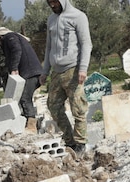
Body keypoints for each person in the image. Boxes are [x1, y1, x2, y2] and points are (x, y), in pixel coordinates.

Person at [39, 0, 92, 155]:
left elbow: (86, 44)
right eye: (49, 2)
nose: (52, 5)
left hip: (73, 70)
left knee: (78, 108)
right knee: (53, 106)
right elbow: (49, 47)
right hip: (56, 71)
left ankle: (81, 143)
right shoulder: (51, 19)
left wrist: (83, 68)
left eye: (55, 1)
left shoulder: (78, 17)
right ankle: (70, 141)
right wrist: (45, 71)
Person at [0, 19, 44, 132]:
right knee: (20, 98)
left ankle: (31, 124)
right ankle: (26, 123)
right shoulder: (0, 40)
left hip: (30, 71)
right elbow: (1, 61)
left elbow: (16, 50)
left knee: (24, 96)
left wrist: (14, 69)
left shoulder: (8, 36)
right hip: (27, 72)